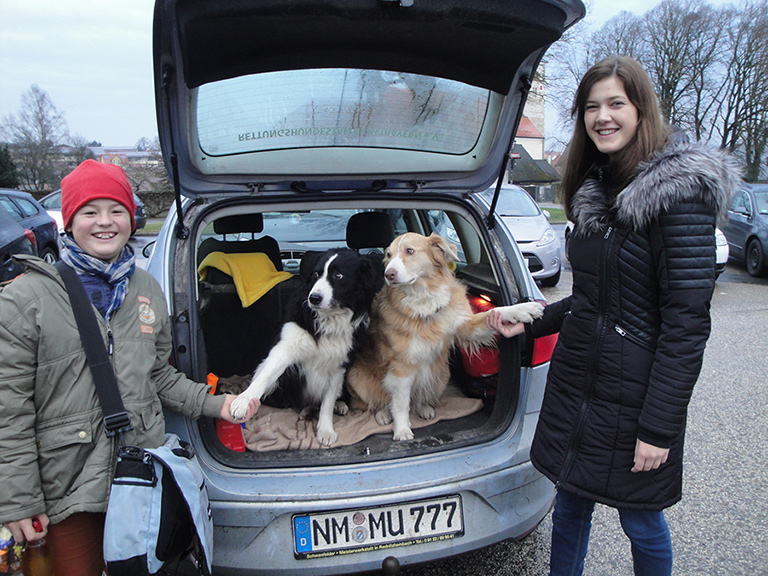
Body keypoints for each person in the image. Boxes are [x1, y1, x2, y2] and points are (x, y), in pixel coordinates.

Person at [488, 56, 740, 575]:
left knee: (641, 521)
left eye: (615, 104)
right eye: (591, 106)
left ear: (641, 109)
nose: (602, 116)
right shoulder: (596, 190)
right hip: (580, 387)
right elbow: (595, 301)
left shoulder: (680, 195)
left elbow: (687, 326)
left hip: (638, 399)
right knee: (572, 506)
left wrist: (659, 429)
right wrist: (534, 319)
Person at [0, 159, 258, 576]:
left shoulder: (147, 290)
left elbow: (157, 375)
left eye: (116, 210)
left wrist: (220, 404)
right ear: (69, 221)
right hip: (66, 492)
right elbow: (8, 413)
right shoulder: (25, 300)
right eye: (90, 212)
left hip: (138, 478)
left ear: (131, 218)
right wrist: (19, 502)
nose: (105, 222)